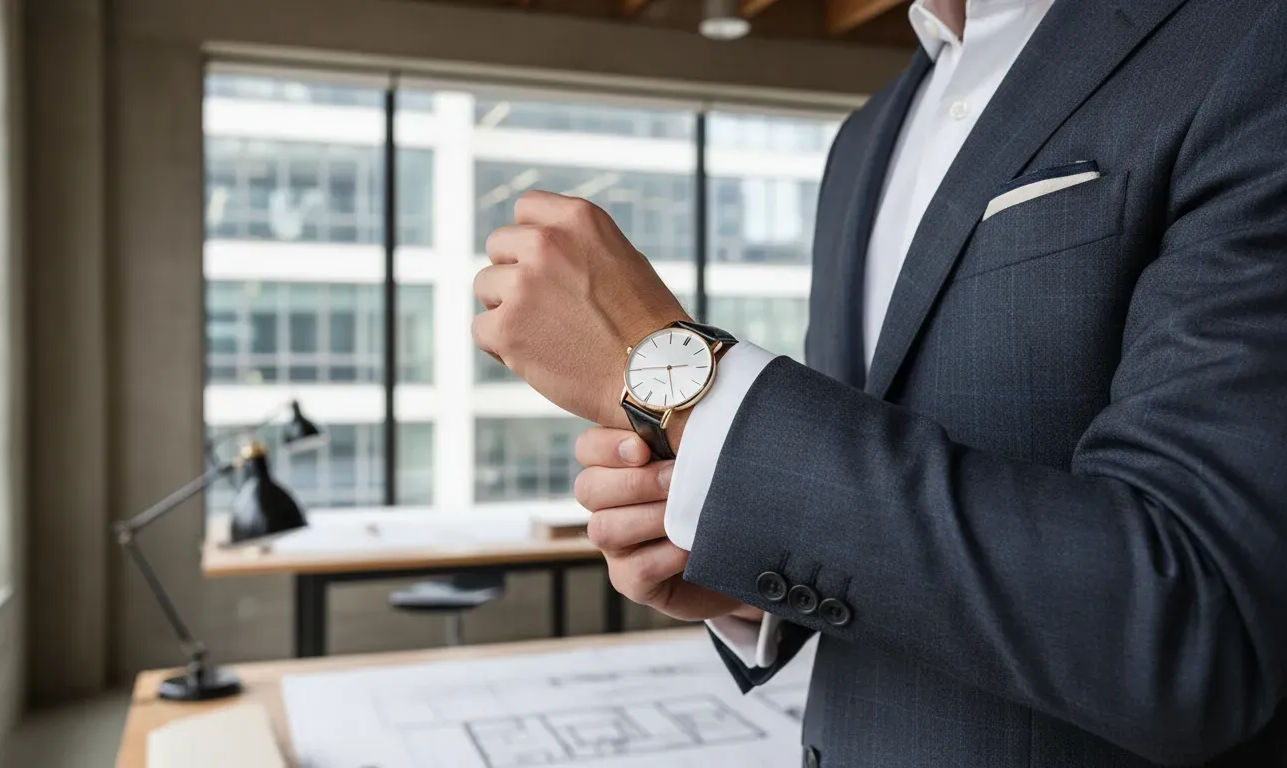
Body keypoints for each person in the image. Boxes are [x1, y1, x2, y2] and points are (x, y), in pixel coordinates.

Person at [471, 0, 1287, 764]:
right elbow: (875, 502)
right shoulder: (864, 138)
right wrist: (746, 559)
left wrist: (672, 371)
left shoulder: (1248, 39)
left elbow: (1201, 627)